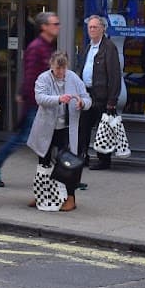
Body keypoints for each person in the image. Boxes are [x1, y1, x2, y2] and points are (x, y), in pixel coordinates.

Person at [0, 10, 59, 187]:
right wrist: (28, 98)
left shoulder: (48, 47)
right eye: (54, 24)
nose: (58, 27)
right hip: (37, 103)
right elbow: (31, 76)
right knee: (22, 137)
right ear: (44, 27)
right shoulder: (37, 47)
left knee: (53, 138)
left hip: (46, 102)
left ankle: (63, 175)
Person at [28, 50, 91, 212]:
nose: (61, 73)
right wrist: (58, 99)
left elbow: (87, 98)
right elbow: (39, 98)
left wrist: (82, 104)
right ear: (51, 66)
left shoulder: (73, 78)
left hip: (66, 129)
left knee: (67, 164)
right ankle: (41, 195)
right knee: (43, 162)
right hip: (46, 128)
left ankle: (70, 198)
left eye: (63, 69)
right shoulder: (43, 78)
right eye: (58, 69)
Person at [76, 14, 123, 170]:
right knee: (84, 126)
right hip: (86, 93)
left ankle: (104, 160)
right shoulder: (88, 46)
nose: (92, 30)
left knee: (103, 128)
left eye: (95, 27)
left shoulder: (109, 47)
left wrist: (112, 100)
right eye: (90, 27)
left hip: (102, 95)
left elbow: (115, 75)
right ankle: (83, 156)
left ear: (103, 28)